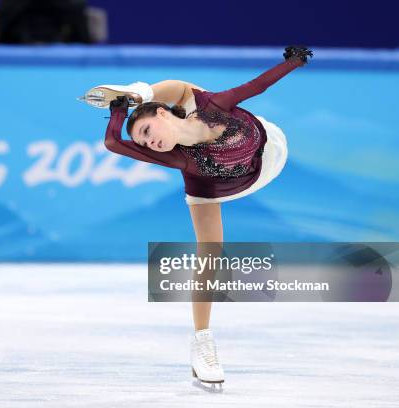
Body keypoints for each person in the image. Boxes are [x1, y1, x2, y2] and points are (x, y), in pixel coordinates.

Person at [81, 46, 313, 389]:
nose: (150, 144)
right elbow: (114, 144)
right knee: (211, 254)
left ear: (161, 115)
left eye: (146, 132)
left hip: (270, 147)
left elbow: (259, 85)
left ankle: (140, 92)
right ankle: (202, 343)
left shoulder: (213, 106)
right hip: (218, 183)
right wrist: (117, 112)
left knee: (184, 89)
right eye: (143, 143)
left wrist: (294, 61)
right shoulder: (177, 159)